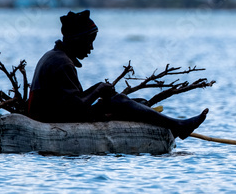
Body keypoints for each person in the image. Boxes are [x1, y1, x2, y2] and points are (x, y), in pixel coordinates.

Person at [27, 10, 208, 138]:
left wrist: (100, 92)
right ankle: (178, 126)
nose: (91, 48)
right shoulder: (62, 63)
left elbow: (70, 101)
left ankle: (175, 125)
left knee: (134, 103)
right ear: (76, 40)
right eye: (89, 42)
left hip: (54, 112)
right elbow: (76, 108)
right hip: (50, 118)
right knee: (120, 102)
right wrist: (98, 90)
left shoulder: (53, 56)